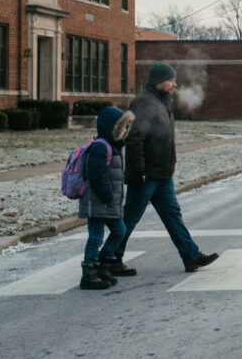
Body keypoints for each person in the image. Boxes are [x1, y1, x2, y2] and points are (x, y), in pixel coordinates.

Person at [103, 62, 219, 274]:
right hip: (147, 175)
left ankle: (191, 256)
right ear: (159, 81)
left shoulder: (162, 101)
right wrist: (138, 173)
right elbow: (135, 140)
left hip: (162, 174)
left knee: (173, 216)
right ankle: (109, 258)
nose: (175, 83)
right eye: (171, 79)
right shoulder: (144, 102)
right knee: (129, 218)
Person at [79, 106, 135, 290]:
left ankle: (103, 265)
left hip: (109, 203)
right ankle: (89, 272)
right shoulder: (100, 147)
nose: (125, 130)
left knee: (119, 231)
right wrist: (107, 195)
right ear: (112, 128)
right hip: (98, 202)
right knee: (96, 236)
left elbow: (114, 174)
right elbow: (96, 175)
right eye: (122, 127)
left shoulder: (114, 147)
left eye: (126, 126)